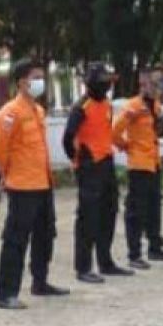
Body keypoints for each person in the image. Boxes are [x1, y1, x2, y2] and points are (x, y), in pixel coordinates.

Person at [0, 59, 69, 310]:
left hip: (42, 182)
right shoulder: (10, 113)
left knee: (45, 235)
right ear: (22, 82)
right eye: (36, 77)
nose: (40, 82)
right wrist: (10, 173)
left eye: (41, 77)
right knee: (16, 240)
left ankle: (40, 281)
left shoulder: (38, 110)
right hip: (22, 185)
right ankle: (6, 293)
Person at [62, 62, 132, 282]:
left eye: (109, 82)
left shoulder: (107, 105)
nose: (107, 86)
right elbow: (67, 138)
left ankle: (105, 261)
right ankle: (83, 268)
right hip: (90, 166)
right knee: (87, 217)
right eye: (104, 82)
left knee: (109, 212)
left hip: (107, 163)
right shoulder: (81, 107)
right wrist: (79, 161)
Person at [112, 65, 163, 269]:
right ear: (144, 83)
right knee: (136, 210)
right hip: (139, 164)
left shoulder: (156, 106)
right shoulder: (133, 106)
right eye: (156, 82)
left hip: (153, 162)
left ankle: (155, 247)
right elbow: (114, 132)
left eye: (161, 82)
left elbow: (157, 131)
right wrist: (127, 147)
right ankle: (134, 254)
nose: (159, 86)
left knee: (154, 206)